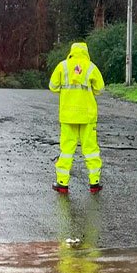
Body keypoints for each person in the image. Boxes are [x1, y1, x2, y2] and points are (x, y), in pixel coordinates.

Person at [48, 42, 105, 194]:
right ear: (86, 52)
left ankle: (62, 183)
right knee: (91, 150)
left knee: (66, 150)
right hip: (87, 115)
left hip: (68, 116)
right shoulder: (91, 67)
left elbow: (52, 86)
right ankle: (94, 183)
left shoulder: (63, 66)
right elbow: (100, 89)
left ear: (71, 51)